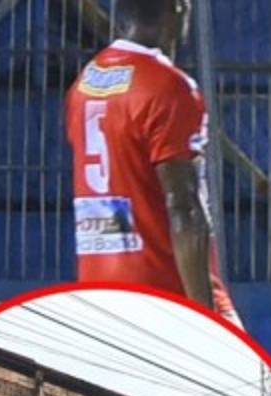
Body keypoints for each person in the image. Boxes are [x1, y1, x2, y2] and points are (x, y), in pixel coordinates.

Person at [65, 0, 241, 325]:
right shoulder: (169, 86)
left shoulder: (84, 84)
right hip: (164, 292)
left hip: (99, 295)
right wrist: (205, 318)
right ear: (178, 8)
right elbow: (183, 206)